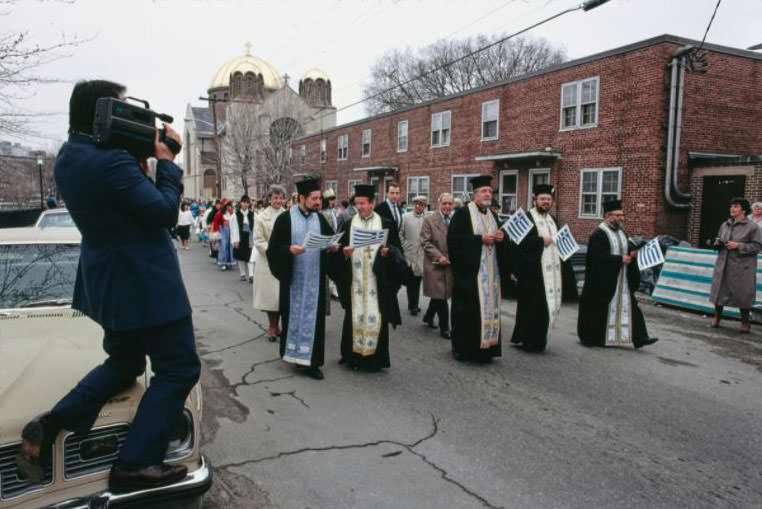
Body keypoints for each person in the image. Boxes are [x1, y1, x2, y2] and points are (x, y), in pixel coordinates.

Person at [16, 80, 200, 493]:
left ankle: (53, 422)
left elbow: (120, 205)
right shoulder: (110, 162)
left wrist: (137, 152)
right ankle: (135, 464)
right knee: (179, 368)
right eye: (120, 109)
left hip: (112, 288)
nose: (126, 117)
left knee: (123, 363)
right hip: (147, 288)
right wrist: (167, 160)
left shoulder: (69, 157)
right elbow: (163, 211)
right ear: (101, 113)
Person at [266, 179, 339, 380]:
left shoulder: (320, 219)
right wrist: (288, 250)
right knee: (292, 316)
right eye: (314, 199)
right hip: (293, 281)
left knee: (314, 321)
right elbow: (273, 250)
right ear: (301, 198)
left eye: (319, 198)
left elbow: (330, 241)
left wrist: (332, 248)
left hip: (314, 282)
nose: (318, 202)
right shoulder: (284, 220)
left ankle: (312, 363)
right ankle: (293, 355)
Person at [334, 184, 406, 371]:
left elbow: (397, 251)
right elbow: (338, 251)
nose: (359, 207)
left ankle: (375, 359)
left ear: (372, 203)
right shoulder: (350, 224)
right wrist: (344, 254)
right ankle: (352, 357)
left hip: (377, 281)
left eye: (363, 203)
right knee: (354, 316)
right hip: (355, 281)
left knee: (376, 316)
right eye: (357, 203)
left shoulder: (385, 223)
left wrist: (387, 252)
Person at [577, 200, 659, 348]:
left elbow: (625, 250)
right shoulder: (598, 234)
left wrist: (631, 254)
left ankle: (640, 338)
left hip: (622, 279)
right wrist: (619, 259)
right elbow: (597, 258)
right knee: (601, 309)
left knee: (631, 307)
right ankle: (595, 338)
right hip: (604, 280)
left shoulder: (622, 233)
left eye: (622, 215)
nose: (622, 218)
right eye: (618, 215)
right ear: (608, 216)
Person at [448, 175, 506, 362]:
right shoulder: (463, 214)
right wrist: (479, 239)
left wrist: (501, 238)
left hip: (490, 275)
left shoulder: (493, 215)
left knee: (487, 311)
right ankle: (463, 349)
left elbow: (504, 240)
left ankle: (486, 350)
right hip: (470, 274)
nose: (488, 194)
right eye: (484, 191)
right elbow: (454, 241)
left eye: (489, 191)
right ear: (475, 195)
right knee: (467, 312)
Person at [509, 185, 562, 352]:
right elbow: (517, 244)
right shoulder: (526, 217)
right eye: (542, 199)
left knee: (544, 307)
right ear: (534, 201)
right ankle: (527, 340)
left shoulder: (552, 219)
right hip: (532, 272)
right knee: (531, 306)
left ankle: (540, 339)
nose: (546, 202)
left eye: (548, 199)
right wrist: (540, 241)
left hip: (550, 271)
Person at [710, 197, 762, 332]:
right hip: (723, 264)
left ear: (743, 210)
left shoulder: (753, 227)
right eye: (731, 206)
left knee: (743, 293)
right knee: (719, 291)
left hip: (742, 266)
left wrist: (739, 245)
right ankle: (717, 316)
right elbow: (719, 240)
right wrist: (717, 243)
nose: (732, 209)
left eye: (736, 206)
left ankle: (745, 322)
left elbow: (757, 247)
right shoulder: (725, 224)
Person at [252, 185, 287, 341]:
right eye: (275, 198)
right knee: (270, 297)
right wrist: (273, 252)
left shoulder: (288, 216)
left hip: (284, 261)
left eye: (280, 198)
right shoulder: (261, 217)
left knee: (280, 297)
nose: (278, 201)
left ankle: (279, 324)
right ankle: (272, 325)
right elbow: (259, 241)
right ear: (269, 199)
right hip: (268, 261)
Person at [420, 192, 455, 339]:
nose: (447, 206)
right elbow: (425, 242)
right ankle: (445, 328)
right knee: (441, 296)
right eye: (444, 203)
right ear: (439, 203)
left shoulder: (454, 219)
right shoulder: (429, 220)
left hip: (449, 264)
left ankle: (428, 317)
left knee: (439, 294)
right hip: (434, 263)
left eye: (450, 204)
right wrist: (439, 256)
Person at [400, 194, 427, 316]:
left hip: (421, 255)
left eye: (420, 204)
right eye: (416, 203)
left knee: (417, 280)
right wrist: (405, 245)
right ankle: (413, 305)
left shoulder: (427, 219)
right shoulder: (405, 217)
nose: (417, 206)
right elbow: (400, 233)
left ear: (424, 206)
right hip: (409, 254)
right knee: (411, 281)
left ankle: (414, 304)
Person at [230, 195, 255, 282]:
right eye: (244, 202)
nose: (245, 204)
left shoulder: (252, 215)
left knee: (250, 256)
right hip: (240, 237)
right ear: (240, 203)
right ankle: (243, 273)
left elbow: (255, 227)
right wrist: (234, 240)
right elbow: (233, 229)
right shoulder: (235, 215)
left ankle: (251, 275)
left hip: (249, 237)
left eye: (247, 202)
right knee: (241, 256)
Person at [217, 202, 235, 270]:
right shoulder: (220, 213)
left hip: (231, 230)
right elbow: (216, 223)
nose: (228, 207)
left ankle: (229, 262)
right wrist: (216, 232)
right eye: (227, 206)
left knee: (230, 247)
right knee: (223, 246)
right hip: (223, 230)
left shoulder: (233, 214)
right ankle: (223, 263)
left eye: (229, 206)